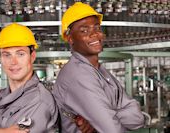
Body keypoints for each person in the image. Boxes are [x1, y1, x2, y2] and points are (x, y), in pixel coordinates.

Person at [52, 2, 145, 133]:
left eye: (97, 28)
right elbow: (113, 130)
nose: (95, 34)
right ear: (70, 38)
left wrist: (101, 120)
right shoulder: (77, 75)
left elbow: (137, 118)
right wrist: (109, 118)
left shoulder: (99, 70)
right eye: (84, 30)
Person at [0, 23, 58, 133]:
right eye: (7, 55)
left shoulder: (39, 101)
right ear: (1, 58)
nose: (13, 62)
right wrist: (0, 132)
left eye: (20, 54)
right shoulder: (0, 96)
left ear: (32, 56)